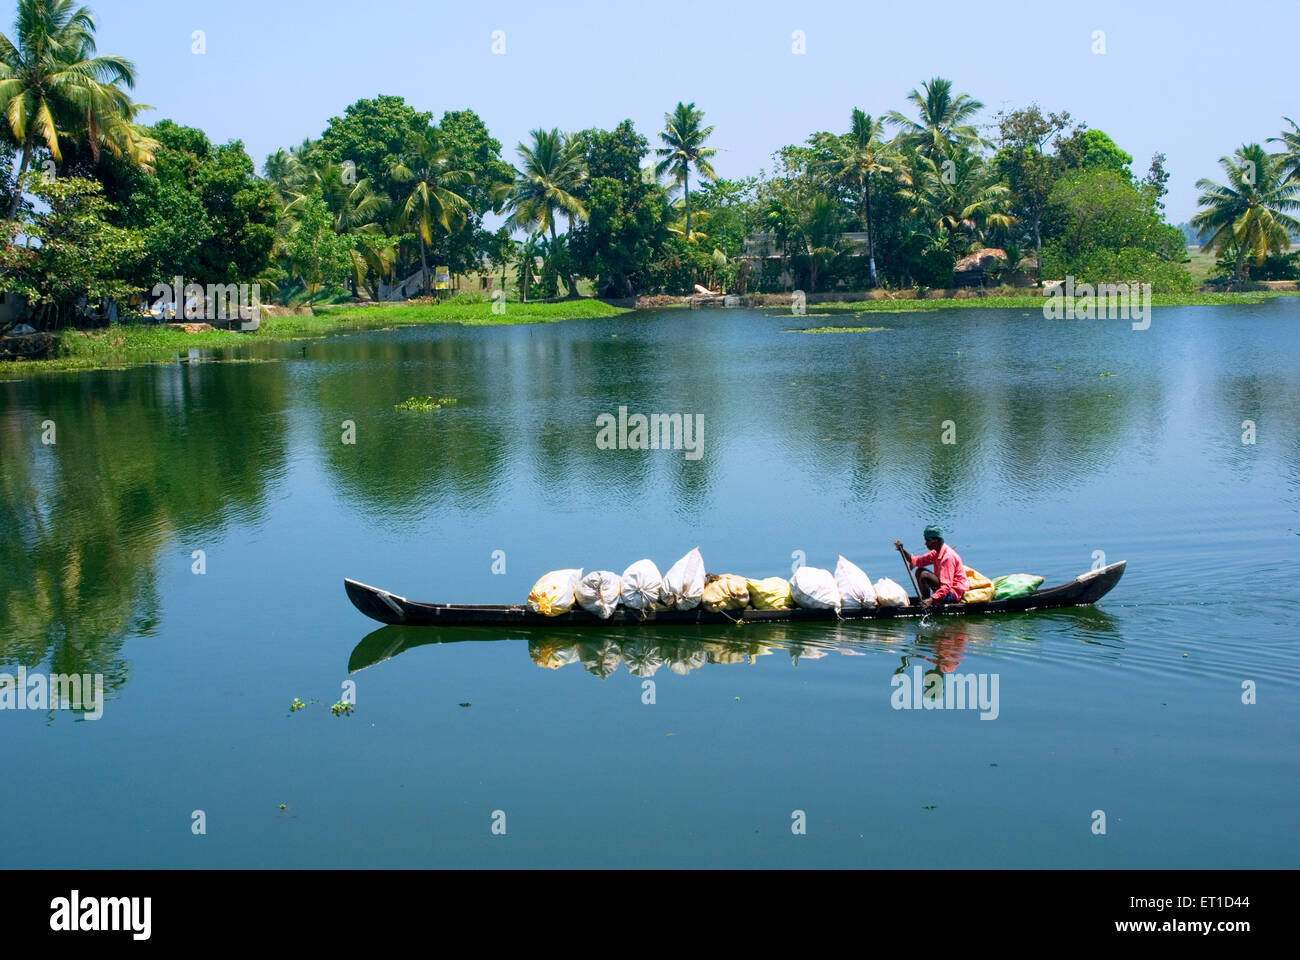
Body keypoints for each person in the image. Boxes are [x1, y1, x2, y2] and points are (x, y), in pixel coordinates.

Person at [893, 526, 968, 608]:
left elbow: (947, 586)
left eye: (928, 541)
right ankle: (925, 602)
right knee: (919, 571)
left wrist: (932, 599)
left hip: (953, 594)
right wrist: (902, 550)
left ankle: (927, 603)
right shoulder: (936, 553)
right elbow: (916, 561)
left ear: (938, 540)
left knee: (924, 575)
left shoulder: (948, 557)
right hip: (945, 590)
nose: (925, 543)